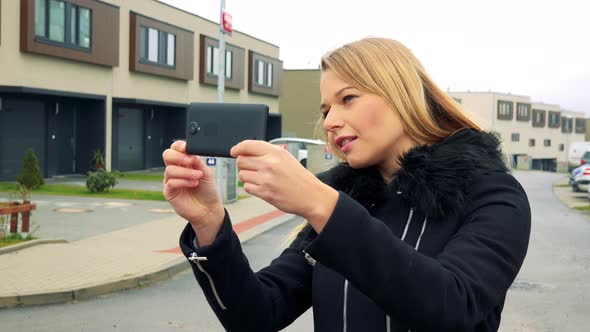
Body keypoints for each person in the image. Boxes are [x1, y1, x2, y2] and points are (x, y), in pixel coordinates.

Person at [162, 37, 531, 332]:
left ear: (400, 93)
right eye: (325, 111)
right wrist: (210, 223)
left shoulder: (493, 195)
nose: (330, 121)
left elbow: (453, 306)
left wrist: (321, 204)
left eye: (348, 99)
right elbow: (258, 314)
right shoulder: (353, 199)